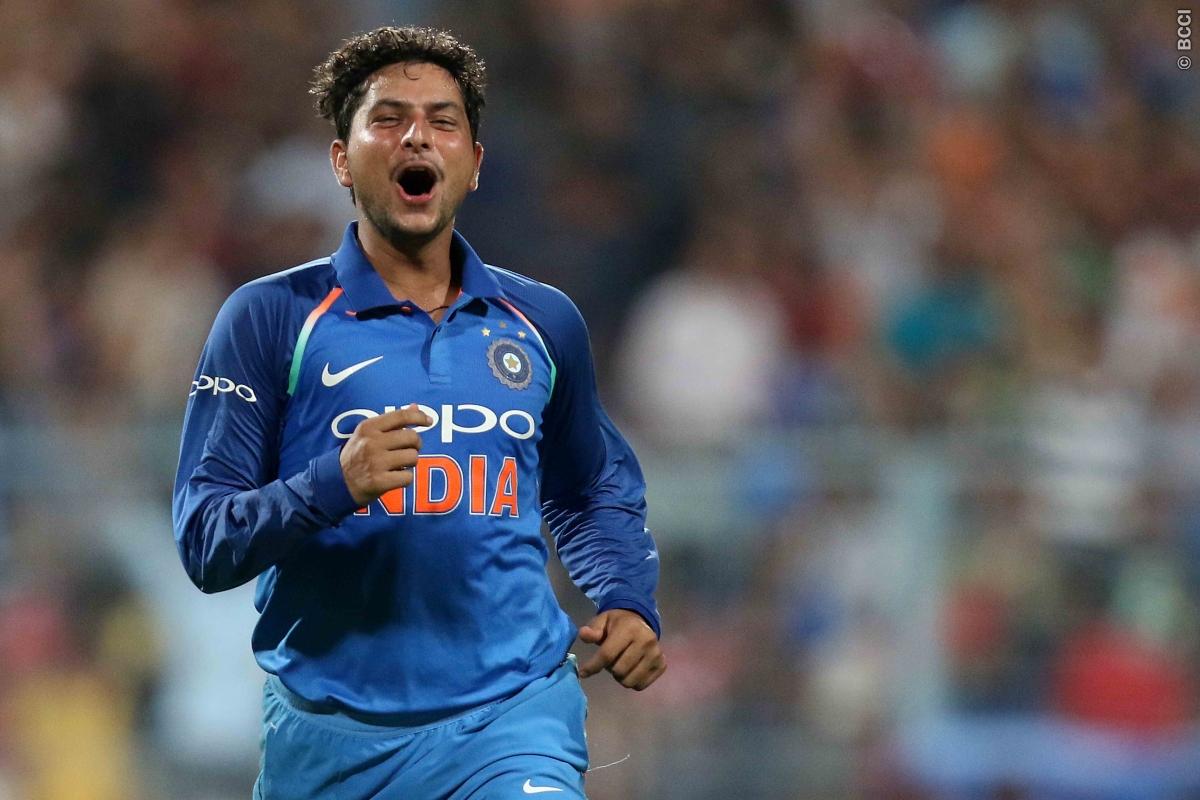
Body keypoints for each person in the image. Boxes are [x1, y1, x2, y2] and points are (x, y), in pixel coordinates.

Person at [172, 25, 664, 800]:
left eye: (442, 120)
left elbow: (588, 488)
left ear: (474, 162)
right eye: (388, 118)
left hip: (510, 721)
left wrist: (626, 597)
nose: (417, 137)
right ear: (342, 160)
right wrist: (331, 484)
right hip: (329, 743)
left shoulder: (543, 322)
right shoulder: (270, 318)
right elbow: (205, 540)